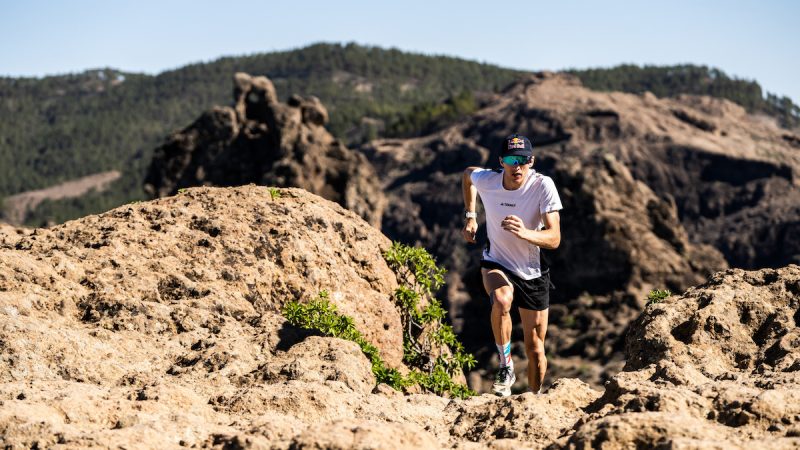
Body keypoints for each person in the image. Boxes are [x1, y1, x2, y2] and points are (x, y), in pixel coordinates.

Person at [461, 134, 562, 396]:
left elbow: (554, 238)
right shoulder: (490, 180)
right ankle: (505, 366)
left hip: (532, 270)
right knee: (502, 300)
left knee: (536, 349)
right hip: (497, 260)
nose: (516, 166)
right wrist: (471, 216)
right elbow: (468, 175)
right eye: (510, 159)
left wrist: (525, 233)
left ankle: (532, 398)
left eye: (522, 160)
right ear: (501, 162)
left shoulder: (542, 186)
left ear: (531, 161)